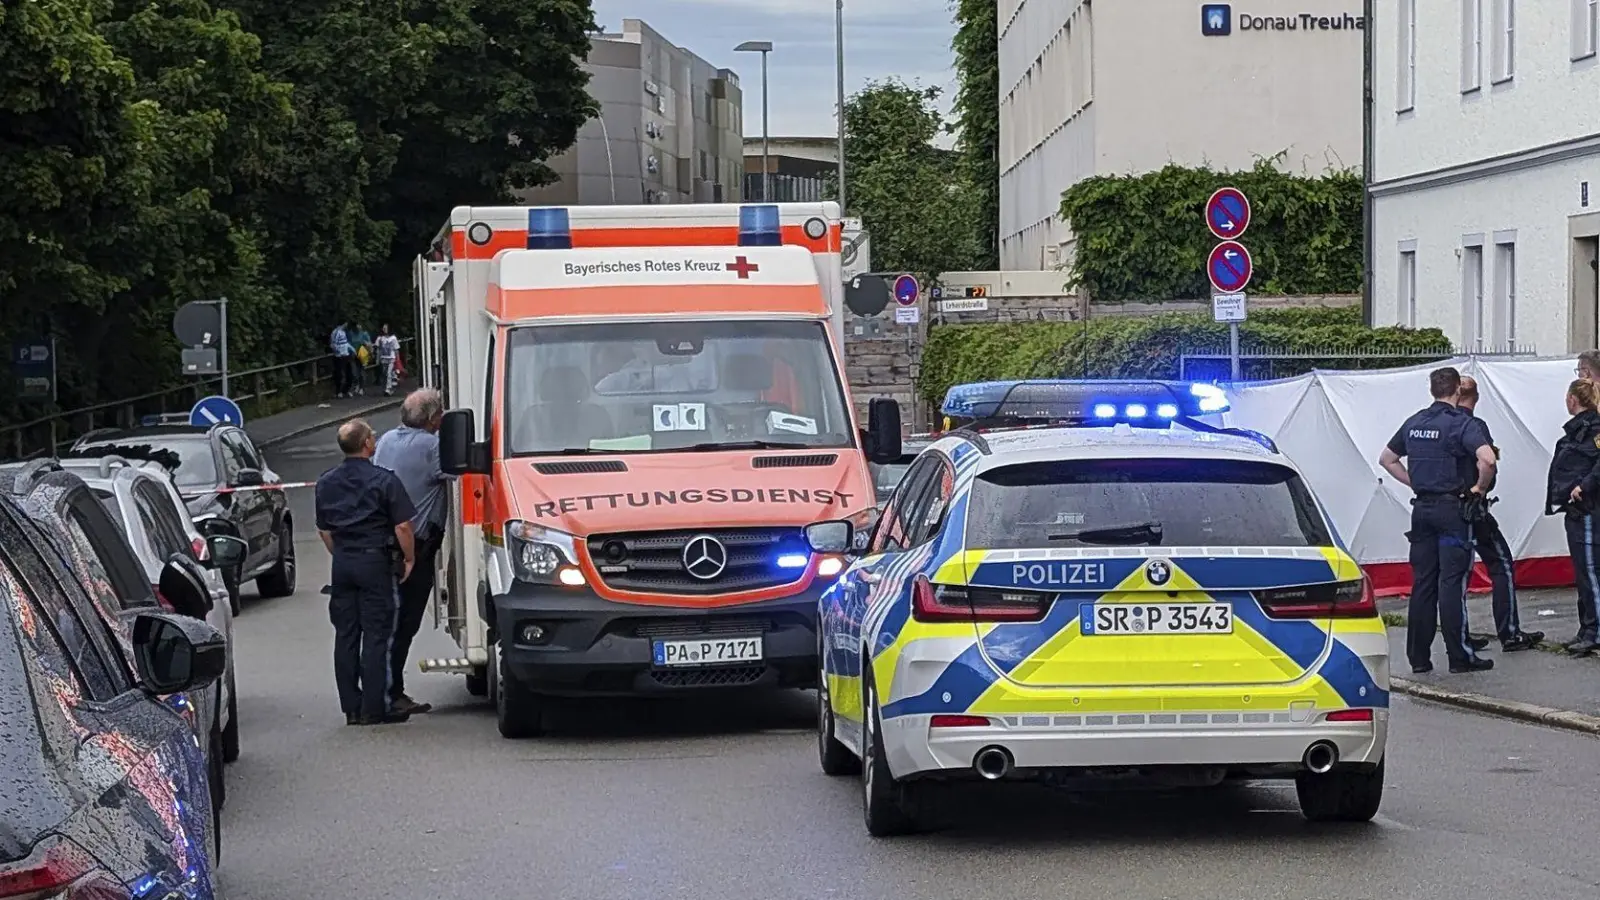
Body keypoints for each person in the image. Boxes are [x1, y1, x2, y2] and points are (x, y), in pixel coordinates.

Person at [1377, 366, 1496, 674]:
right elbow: (1487, 459)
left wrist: (1415, 482)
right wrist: (1479, 488)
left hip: (1422, 511)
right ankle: (1460, 657)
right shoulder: (1460, 423)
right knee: (1451, 583)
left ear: (1432, 390)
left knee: (1423, 584)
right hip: (1452, 510)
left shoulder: (1415, 422)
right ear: (1457, 390)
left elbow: (1387, 459)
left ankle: (1419, 658)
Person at [315, 418, 417, 724]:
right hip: (375, 562)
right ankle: (376, 706)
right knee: (376, 634)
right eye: (372, 436)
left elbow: (324, 529)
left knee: (346, 634)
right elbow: (402, 526)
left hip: (343, 563)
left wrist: (341, 554)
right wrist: (409, 559)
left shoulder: (326, 482)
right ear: (366, 444)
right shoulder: (384, 480)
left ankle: (351, 707)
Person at [374, 389, 450, 715]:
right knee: (405, 621)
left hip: (385, 542)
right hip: (415, 545)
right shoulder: (432, 446)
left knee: (389, 619)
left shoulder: (387, 440)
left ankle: (381, 690)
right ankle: (391, 693)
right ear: (433, 418)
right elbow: (460, 471)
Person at [1455, 377, 1543, 651]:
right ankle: (1510, 633)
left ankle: (1459, 638)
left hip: (1443, 508)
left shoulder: (1436, 423)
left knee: (1454, 575)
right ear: (1476, 397)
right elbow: (1488, 462)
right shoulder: (1474, 426)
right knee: (1501, 564)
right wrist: (1481, 488)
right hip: (1474, 507)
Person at [1544, 378, 1600, 657]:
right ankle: (1586, 628)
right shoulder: (1578, 430)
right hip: (1576, 510)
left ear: (1572, 400)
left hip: (1588, 509)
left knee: (1591, 572)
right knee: (1583, 573)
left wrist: (1583, 486)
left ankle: (1595, 631)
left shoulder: (1594, 429)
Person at [330, 321, 354, 398]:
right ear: (344, 323)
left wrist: (352, 349)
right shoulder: (336, 332)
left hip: (346, 355)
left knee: (349, 374)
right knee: (339, 374)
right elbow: (333, 344)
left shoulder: (343, 332)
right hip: (339, 357)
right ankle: (338, 391)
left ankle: (346, 390)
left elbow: (345, 343)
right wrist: (338, 352)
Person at [375, 325, 401, 396]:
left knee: (389, 373)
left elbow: (396, 349)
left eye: (385, 328)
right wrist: (377, 359)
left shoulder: (393, 338)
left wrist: (398, 359)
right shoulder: (380, 338)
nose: (384, 329)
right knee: (384, 374)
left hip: (391, 358)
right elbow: (378, 349)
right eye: (383, 328)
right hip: (383, 358)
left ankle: (388, 389)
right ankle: (386, 387)